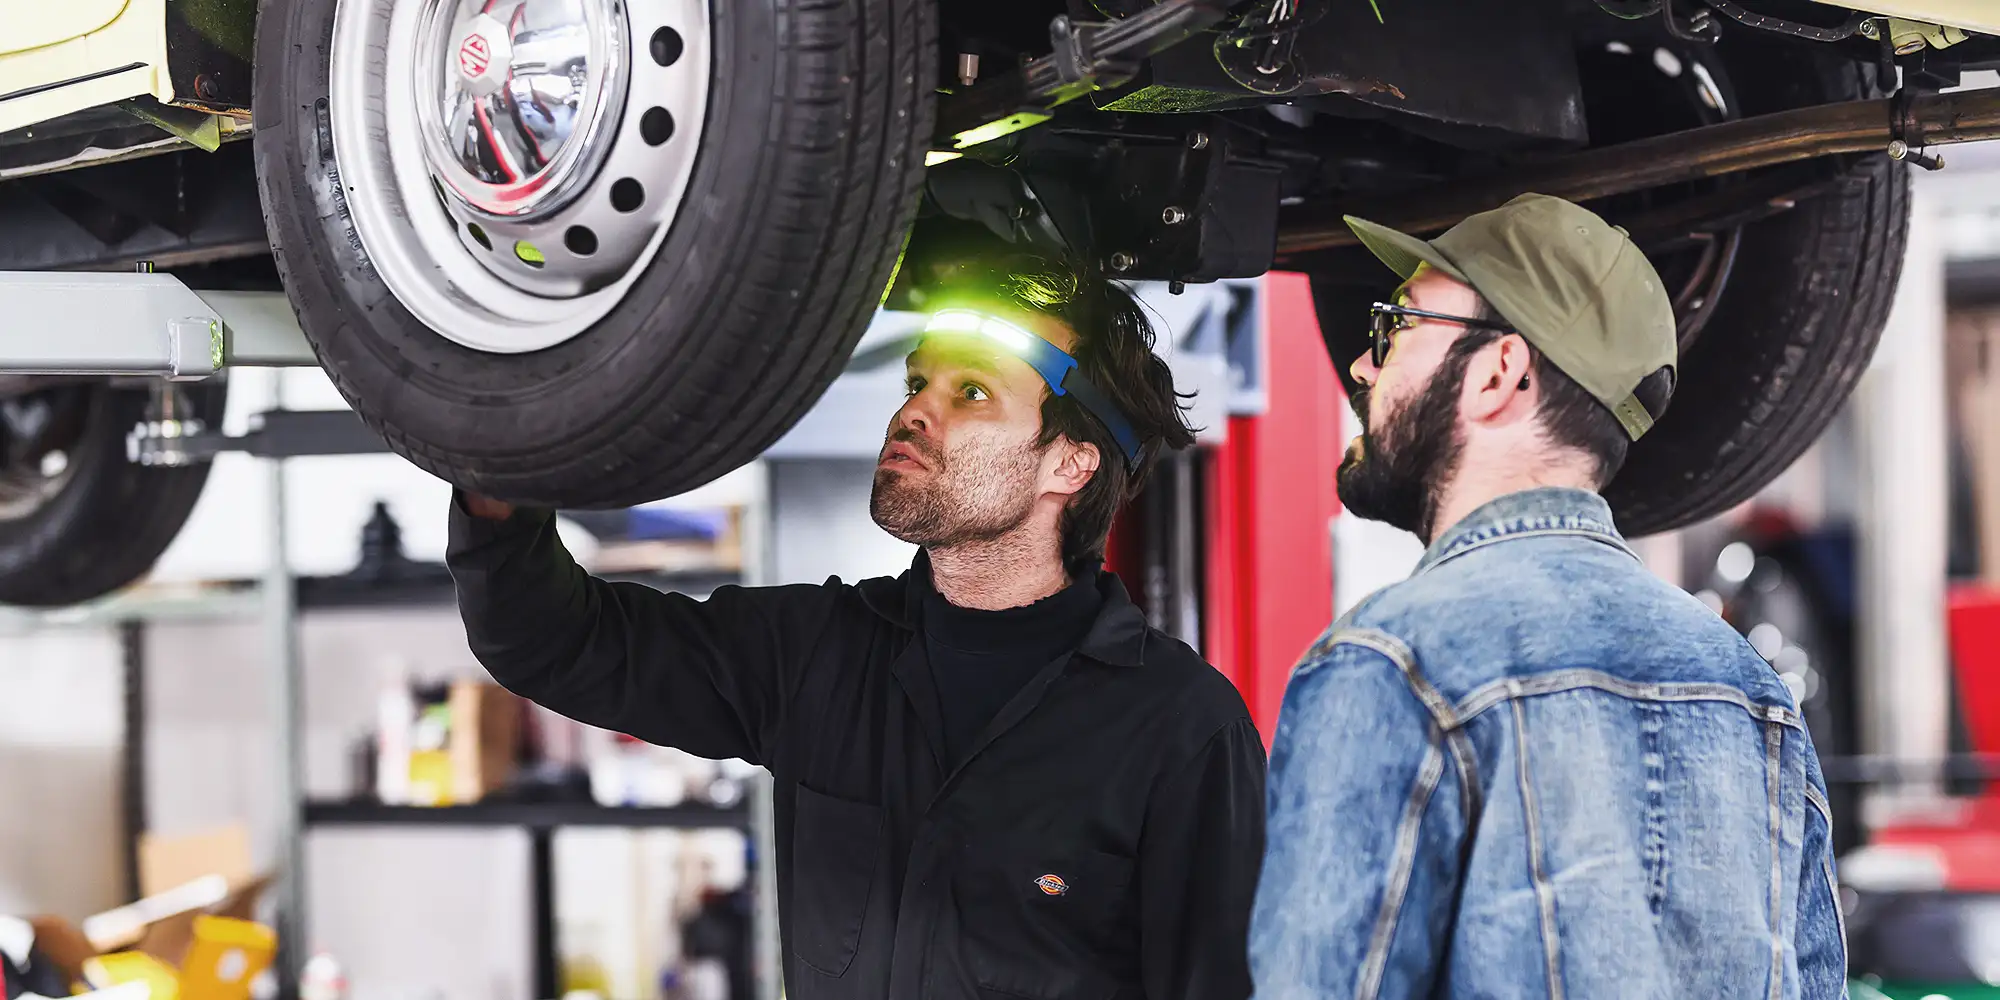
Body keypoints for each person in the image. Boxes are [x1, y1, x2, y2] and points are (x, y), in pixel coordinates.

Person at [449, 254, 1266, 1000]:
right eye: (918, 384)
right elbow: (552, 639)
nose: (914, 413)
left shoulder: (1182, 730)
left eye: (970, 393)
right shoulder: (818, 655)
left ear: (1071, 464)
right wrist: (501, 457)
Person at [1248, 194, 1844, 999]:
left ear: (1501, 372)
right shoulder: (1751, 691)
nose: (1363, 365)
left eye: (1399, 325)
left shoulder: (1393, 661)